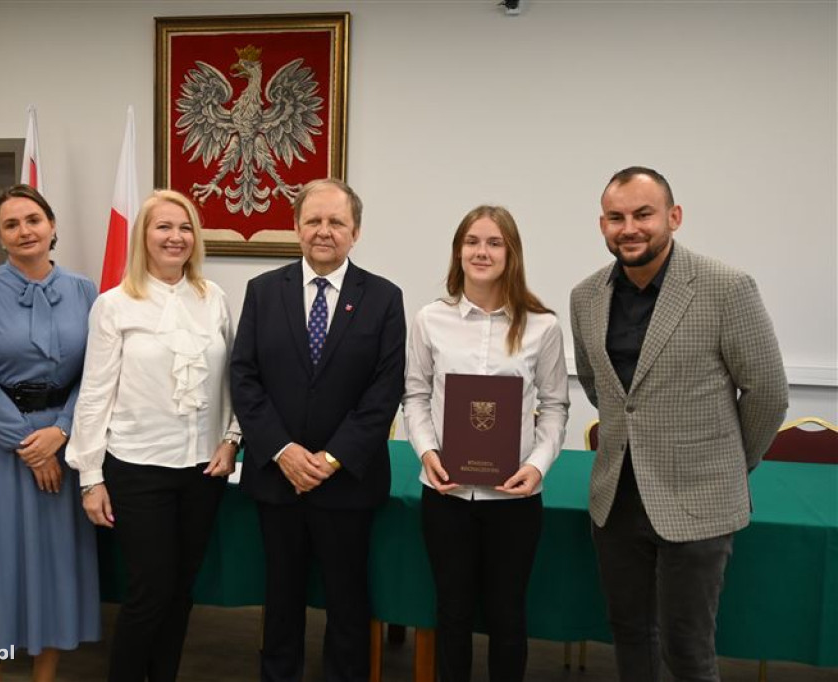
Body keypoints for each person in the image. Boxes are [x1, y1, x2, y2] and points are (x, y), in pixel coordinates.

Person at [570, 166, 789, 682]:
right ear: (602, 224)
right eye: (616, 217)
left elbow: (767, 394)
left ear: (674, 217)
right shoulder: (586, 296)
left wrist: (731, 464)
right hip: (616, 500)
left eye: (643, 214)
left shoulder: (725, 287)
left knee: (688, 649)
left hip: (700, 499)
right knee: (629, 635)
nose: (630, 228)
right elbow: (598, 385)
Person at [230, 178, 406, 682]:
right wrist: (284, 451)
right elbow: (244, 378)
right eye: (314, 221)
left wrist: (329, 459)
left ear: (356, 232)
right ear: (296, 227)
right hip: (277, 480)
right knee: (280, 604)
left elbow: (384, 391)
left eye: (336, 222)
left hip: (347, 482)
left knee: (347, 606)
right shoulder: (263, 291)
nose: (324, 231)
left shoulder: (384, 298)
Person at [66, 189, 241, 682]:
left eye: (185, 228)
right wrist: (90, 477)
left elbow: (231, 380)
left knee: (182, 590)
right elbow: (95, 394)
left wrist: (231, 439)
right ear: (144, 235)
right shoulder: (114, 305)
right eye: (163, 226)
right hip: (137, 468)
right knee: (149, 593)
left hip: (203, 471)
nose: (176, 237)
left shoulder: (214, 300)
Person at [402, 205, 569, 682]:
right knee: (451, 614)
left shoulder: (543, 326)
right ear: (458, 251)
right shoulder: (430, 319)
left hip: (514, 499)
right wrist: (428, 454)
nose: (482, 251)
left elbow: (556, 407)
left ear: (511, 253)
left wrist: (537, 465)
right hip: (447, 494)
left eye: (494, 242)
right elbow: (414, 394)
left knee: (507, 617)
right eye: (472, 241)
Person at [0, 184, 100, 682]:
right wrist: (28, 446)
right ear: (0, 236)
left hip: (63, 438)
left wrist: (60, 431)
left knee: (54, 561)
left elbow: (97, 373)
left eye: (33, 219)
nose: (24, 230)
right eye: (11, 224)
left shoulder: (84, 290)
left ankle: (45, 675)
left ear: (52, 226)